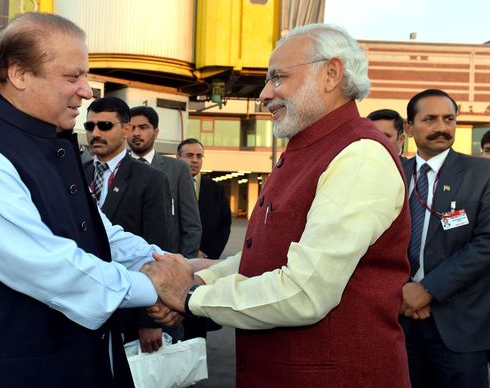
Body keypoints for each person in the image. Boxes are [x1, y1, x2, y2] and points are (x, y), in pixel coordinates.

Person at [0, 13, 190, 388]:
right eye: (73, 76)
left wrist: (173, 265)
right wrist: (157, 287)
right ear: (20, 74)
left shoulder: (49, 145)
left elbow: (104, 237)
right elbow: (47, 265)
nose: (87, 90)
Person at [144, 23, 412, 387]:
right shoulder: (306, 149)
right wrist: (196, 274)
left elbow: (304, 292)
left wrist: (190, 296)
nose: (265, 93)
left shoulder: (358, 155)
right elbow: (271, 255)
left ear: (331, 74)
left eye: (278, 77)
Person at [400, 89, 490, 388]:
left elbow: (486, 243)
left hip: (460, 327)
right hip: (400, 321)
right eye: (430, 119)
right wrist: (401, 290)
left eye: (449, 119)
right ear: (409, 127)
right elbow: (371, 241)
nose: (442, 127)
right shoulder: (393, 174)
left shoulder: (482, 173)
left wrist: (428, 289)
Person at [83, 96, 173, 352]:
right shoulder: (77, 173)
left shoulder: (151, 179)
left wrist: (150, 320)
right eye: (90, 127)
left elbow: (158, 248)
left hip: (129, 311)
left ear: (125, 129)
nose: (95, 133)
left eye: (104, 126)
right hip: (83, 306)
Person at [128, 106, 202, 258]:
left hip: (166, 260)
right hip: (125, 262)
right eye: (132, 127)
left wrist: (185, 264)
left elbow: (191, 224)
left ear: (156, 132)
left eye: (143, 127)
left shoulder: (177, 169)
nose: (136, 133)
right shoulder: (117, 168)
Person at [177, 138, 231, 260]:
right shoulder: (165, 183)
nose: (195, 160)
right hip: (173, 256)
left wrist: (207, 253)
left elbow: (224, 225)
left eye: (199, 156)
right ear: (178, 157)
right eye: (189, 156)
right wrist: (187, 251)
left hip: (204, 259)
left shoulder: (216, 189)